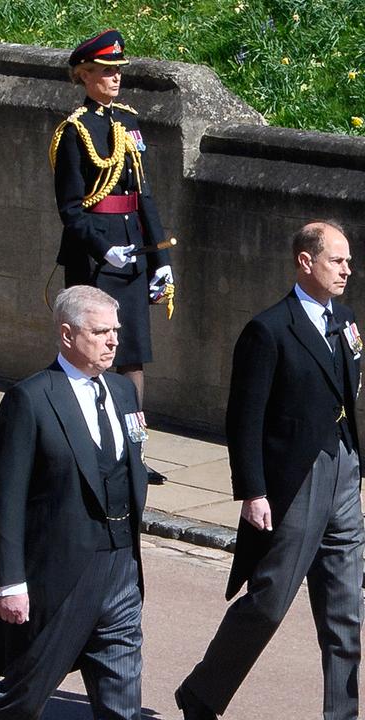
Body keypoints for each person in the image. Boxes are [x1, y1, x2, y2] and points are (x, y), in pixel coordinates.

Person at [175, 221, 362, 720]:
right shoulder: (269, 329)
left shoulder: (343, 320)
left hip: (343, 469)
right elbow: (245, 417)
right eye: (337, 260)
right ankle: (202, 693)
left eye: (347, 261)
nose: (347, 269)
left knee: (345, 609)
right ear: (306, 262)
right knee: (270, 601)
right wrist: (253, 490)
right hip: (295, 481)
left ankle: (341, 714)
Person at [0, 286, 148, 719]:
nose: (113, 341)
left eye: (116, 331)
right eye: (101, 332)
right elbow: (6, 499)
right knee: (22, 699)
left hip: (122, 566)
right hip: (64, 573)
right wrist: (9, 582)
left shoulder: (124, 393)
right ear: (68, 335)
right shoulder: (30, 399)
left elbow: (132, 466)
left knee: (122, 705)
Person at [51, 28, 175, 484]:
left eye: (118, 71)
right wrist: (105, 248)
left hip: (133, 252)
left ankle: (133, 453)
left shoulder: (128, 122)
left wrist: (160, 260)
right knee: (90, 354)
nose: (114, 78)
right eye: (105, 71)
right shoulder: (74, 131)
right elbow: (69, 208)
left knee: (132, 357)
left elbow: (144, 195)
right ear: (84, 76)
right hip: (95, 258)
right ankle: (88, 444)